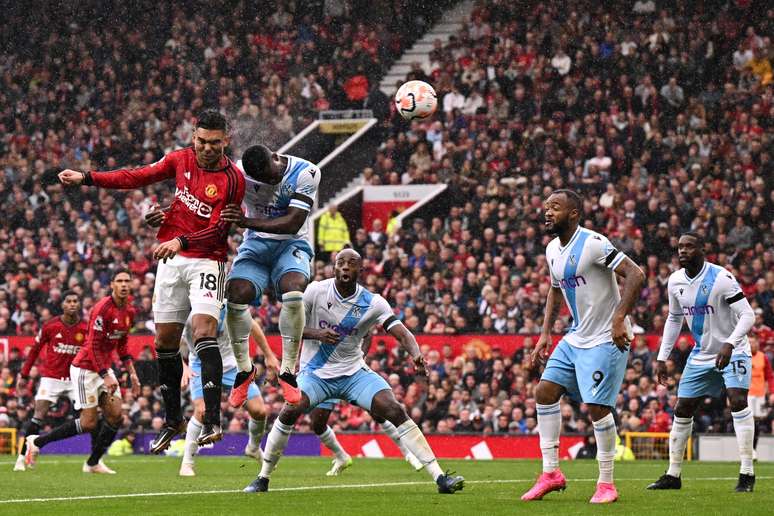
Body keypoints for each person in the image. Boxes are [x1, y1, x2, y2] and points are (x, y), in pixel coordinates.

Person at [59, 110, 246, 451]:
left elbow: (220, 228)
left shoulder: (233, 179)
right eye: (201, 141)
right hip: (171, 260)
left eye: (214, 143)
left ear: (226, 141)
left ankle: (213, 419)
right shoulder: (179, 160)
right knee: (164, 342)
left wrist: (181, 240)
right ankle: (172, 420)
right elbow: (135, 177)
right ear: (194, 136)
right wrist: (87, 178)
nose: (206, 148)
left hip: (207, 259)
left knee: (204, 331)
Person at [243, 249, 464, 494]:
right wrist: (317, 333)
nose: (345, 267)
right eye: (341, 263)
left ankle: (440, 477)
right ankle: (262, 478)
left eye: (352, 263)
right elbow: (287, 325)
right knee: (290, 411)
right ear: (334, 268)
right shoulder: (317, 291)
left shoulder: (373, 302)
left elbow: (400, 331)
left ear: (361, 270)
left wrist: (416, 353)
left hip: (353, 374)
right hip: (316, 374)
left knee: (393, 409)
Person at [522, 189, 644, 504]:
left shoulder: (593, 244)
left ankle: (606, 485)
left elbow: (635, 274)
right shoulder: (552, 249)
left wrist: (620, 319)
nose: (547, 212)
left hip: (606, 336)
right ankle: (551, 474)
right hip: (576, 336)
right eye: (546, 207)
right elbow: (555, 290)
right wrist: (545, 334)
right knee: (544, 392)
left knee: (597, 408)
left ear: (574, 213)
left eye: (555, 207)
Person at [648, 232, 756, 492]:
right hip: (701, 354)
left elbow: (747, 315)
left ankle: (747, 474)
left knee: (738, 401)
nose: (682, 251)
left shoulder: (721, 279)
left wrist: (730, 343)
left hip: (734, 350)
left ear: (702, 249)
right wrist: (663, 356)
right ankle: (673, 475)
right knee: (683, 407)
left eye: (689, 246)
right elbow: (674, 319)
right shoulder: (675, 282)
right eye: (680, 246)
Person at [220, 144, 320, 408]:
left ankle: (288, 370)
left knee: (294, 288)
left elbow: (292, 222)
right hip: (255, 245)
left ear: (276, 158)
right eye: (264, 181)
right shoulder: (237, 174)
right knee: (235, 294)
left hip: (291, 243)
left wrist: (245, 222)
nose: (271, 181)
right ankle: (244, 371)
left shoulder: (305, 172)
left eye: (273, 175)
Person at [24, 271, 140, 474]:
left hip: (103, 367)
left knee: (116, 415)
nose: (123, 285)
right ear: (112, 284)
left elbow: (122, 346)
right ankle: (38, 442)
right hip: (85, 368)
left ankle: (93, 462)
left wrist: (132, 373)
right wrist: (105, 374)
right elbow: (93, 346)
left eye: (127, 281)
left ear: (131, 285)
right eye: (119, 281)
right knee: (88, 423)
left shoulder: (129, 312)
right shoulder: (102, 309)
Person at [302, 329, 423, 476]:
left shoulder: (349, 315)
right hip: (325, 374)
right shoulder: (317, 313)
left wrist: (361, 358)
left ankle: (407, 452)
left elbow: (368, 334)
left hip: (351, 373)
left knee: (377, 411)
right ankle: (341, 456)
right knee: (317, 424)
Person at [178, 308, 279, 477]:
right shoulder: (192, 315)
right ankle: (187, 463)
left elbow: (253, 325)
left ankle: (253, 448)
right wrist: (183, 366)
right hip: (201, 364)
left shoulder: (231, 308)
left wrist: (269, 355)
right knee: (202, 411)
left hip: (232, 366)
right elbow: (171, 341)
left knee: (260, 411)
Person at [14, 291, 89, 471]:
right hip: (51, 378)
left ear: (79, 305)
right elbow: (34, 350)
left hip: (75, 379)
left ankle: (94, 460)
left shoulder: (86, 328)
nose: (72, 304)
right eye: (68, 301)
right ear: (63, 305)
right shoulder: (50, 326)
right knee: (38, 416)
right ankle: (22, 457)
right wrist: (23, 375)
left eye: (75, 301)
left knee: (90, 418)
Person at [747, 336, 773, 459]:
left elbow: (769, 376)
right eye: (750, 343)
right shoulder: (743, 356)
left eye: (754, 343)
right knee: (748, 421)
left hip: (760, 394)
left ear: (758, 344)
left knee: (756, 422)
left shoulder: (763, 357)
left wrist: (772, 393)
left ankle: (753, 449)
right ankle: (748, 449)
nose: (752, 345)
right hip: (746, 394)